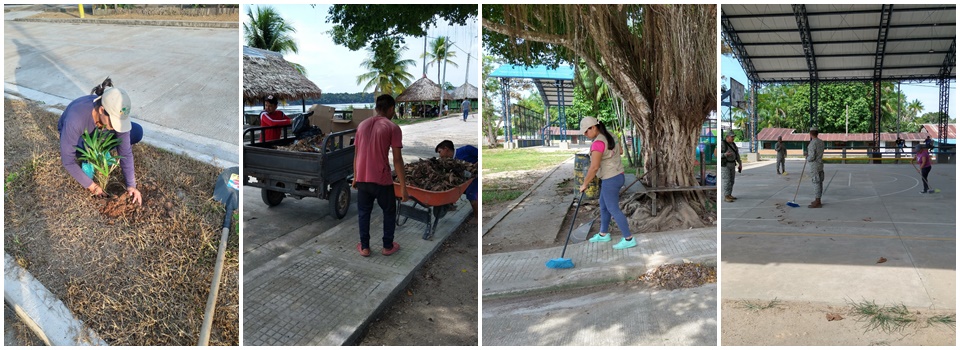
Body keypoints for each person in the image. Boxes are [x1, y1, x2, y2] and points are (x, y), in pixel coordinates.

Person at [58, 77, 143, 205]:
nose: (116, 127)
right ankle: (90, 158)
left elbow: (125, 152)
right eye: (114, 122)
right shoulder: (75, 120)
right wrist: (92, 186)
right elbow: (67, 160)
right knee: (87, 148)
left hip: (99, 131)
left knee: (136, 132)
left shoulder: (115, 113)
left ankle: (101, 152)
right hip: (81, 137)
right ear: (102, 110)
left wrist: (131, 185)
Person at [353, 94, 408, 257]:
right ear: (391, 108)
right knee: (389, 211)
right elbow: (397, 160)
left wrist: (355, 176)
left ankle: (364, 247)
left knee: (364, 212)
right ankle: (387, 246)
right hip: (382, 179)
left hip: (362, 178)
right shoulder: (392, 127)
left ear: (377, 108)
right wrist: (404, 187)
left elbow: (356, 154)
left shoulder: (361, 125)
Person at [578, 117, 635, 250]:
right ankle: (604, 234)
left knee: (613, 208)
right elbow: (620, 152)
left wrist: (584, 184)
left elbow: (594, 167)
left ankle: (628, 238)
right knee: (604, 205)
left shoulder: (597, 143)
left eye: (586, 132)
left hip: (610, 178)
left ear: (593, 127)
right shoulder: (611, 135)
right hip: (618, 175)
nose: (585, 135)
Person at [435, 140, 478, 216]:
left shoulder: (467, 149)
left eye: (440, 152)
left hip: (476, 176)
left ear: (446, 149)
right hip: (466, 179)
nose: (440, 155)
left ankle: (477, 218)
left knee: (471, 195)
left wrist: (474, 167)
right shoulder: (449, 161)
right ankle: (449, 205)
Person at [807, 126, 825, 208]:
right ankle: (818, 199)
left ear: (810, 134)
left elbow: (812, 157)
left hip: (814, 166)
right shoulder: (821, 142)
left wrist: (807, 157)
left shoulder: (812, 143)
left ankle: (817, 201)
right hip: (820, 164)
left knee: (816, 183)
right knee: (820, 182)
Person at [721, 132, 742, 202]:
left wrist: (740, 163)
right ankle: (726, 196)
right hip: (725, 165)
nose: (733, 138)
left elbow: (737, 154)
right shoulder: (722, 144)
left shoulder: (733, 144)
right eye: (731, 137)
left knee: (731, 181)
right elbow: (716, 154)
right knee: (727, 180)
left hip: (732, 164)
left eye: (733, 137)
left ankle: (729, 194)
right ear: (727, 137)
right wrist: (724, 154)